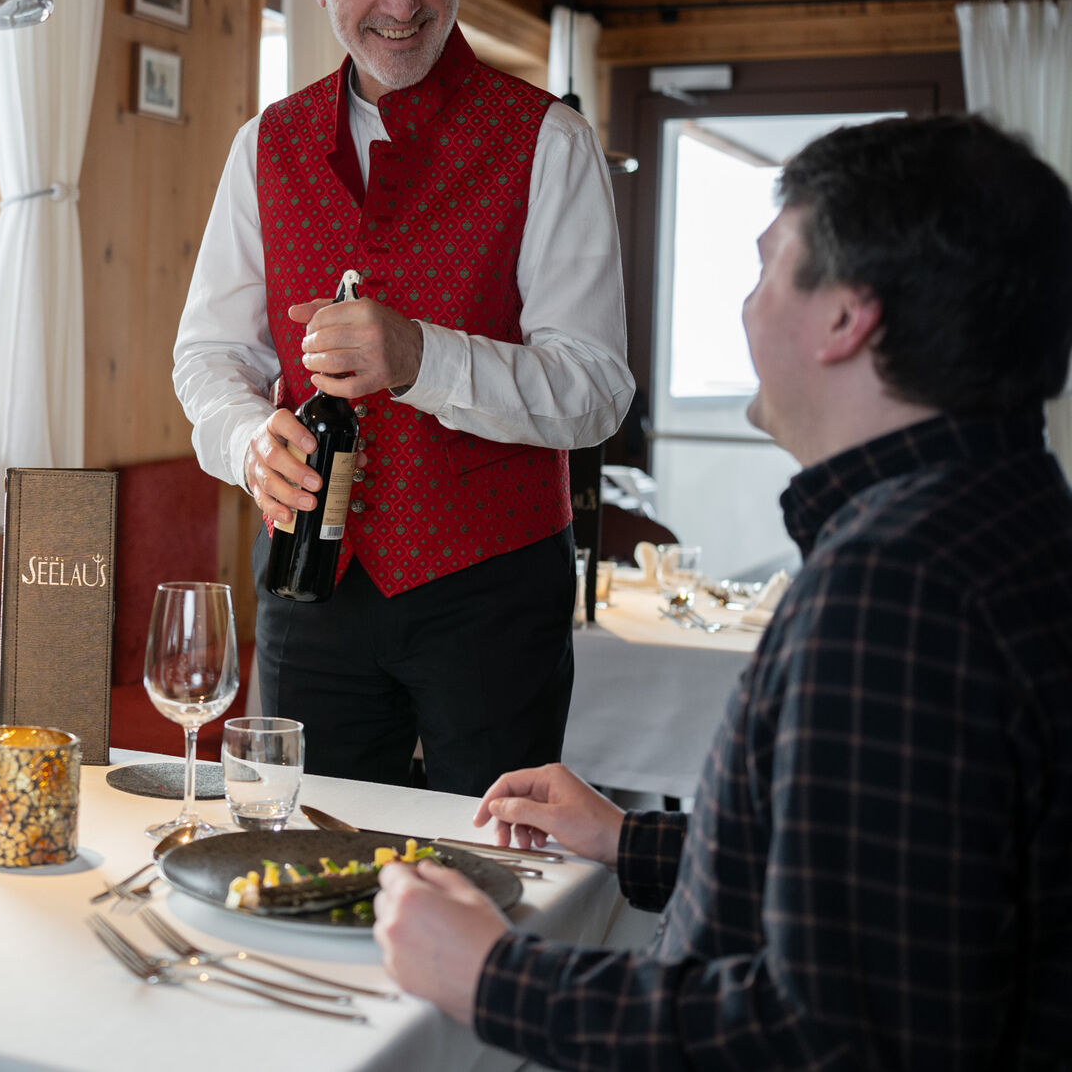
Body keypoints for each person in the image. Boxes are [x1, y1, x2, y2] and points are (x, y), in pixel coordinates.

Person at [373, 114, 1072, 1067]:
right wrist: (632, 840)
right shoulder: (1006, 517)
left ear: (846, 317)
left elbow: (831, 1037)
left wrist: (493, 976)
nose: (745, 307)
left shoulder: (898, 590)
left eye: (767, 267)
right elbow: (901, 883)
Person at [172, 0, 631, 795]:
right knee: (297, 841)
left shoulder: (549, 141)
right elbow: (210, 357)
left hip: (496, 591)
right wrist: (250, 442)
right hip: (308, 584)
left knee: (495, 862)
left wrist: (422, 356)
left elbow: (595, 391)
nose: (400, 0)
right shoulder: (263, 146)